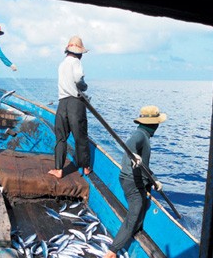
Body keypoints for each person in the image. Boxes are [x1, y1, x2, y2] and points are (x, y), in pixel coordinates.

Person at [103, 105, 166, 258]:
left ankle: (134, 230)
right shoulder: (140, 135)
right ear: (152, 124)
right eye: (157, 123)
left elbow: (145, 166)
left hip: (133, 179)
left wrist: (155, 180)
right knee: (134, 215)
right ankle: (112, 251)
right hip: (132, 182)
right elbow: (130, 145)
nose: (158, 126)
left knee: (143, 204)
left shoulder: (144, 134)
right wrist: (133, 154)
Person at [48, 36, 91, 179]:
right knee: (80, 136)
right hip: (75, 103)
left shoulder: (62, 64)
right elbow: (78, 79)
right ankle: (85, 167)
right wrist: (84, 87)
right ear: (79, 52)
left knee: (61, 138)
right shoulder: (76, 62)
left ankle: (58, 169)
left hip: (62, 104)